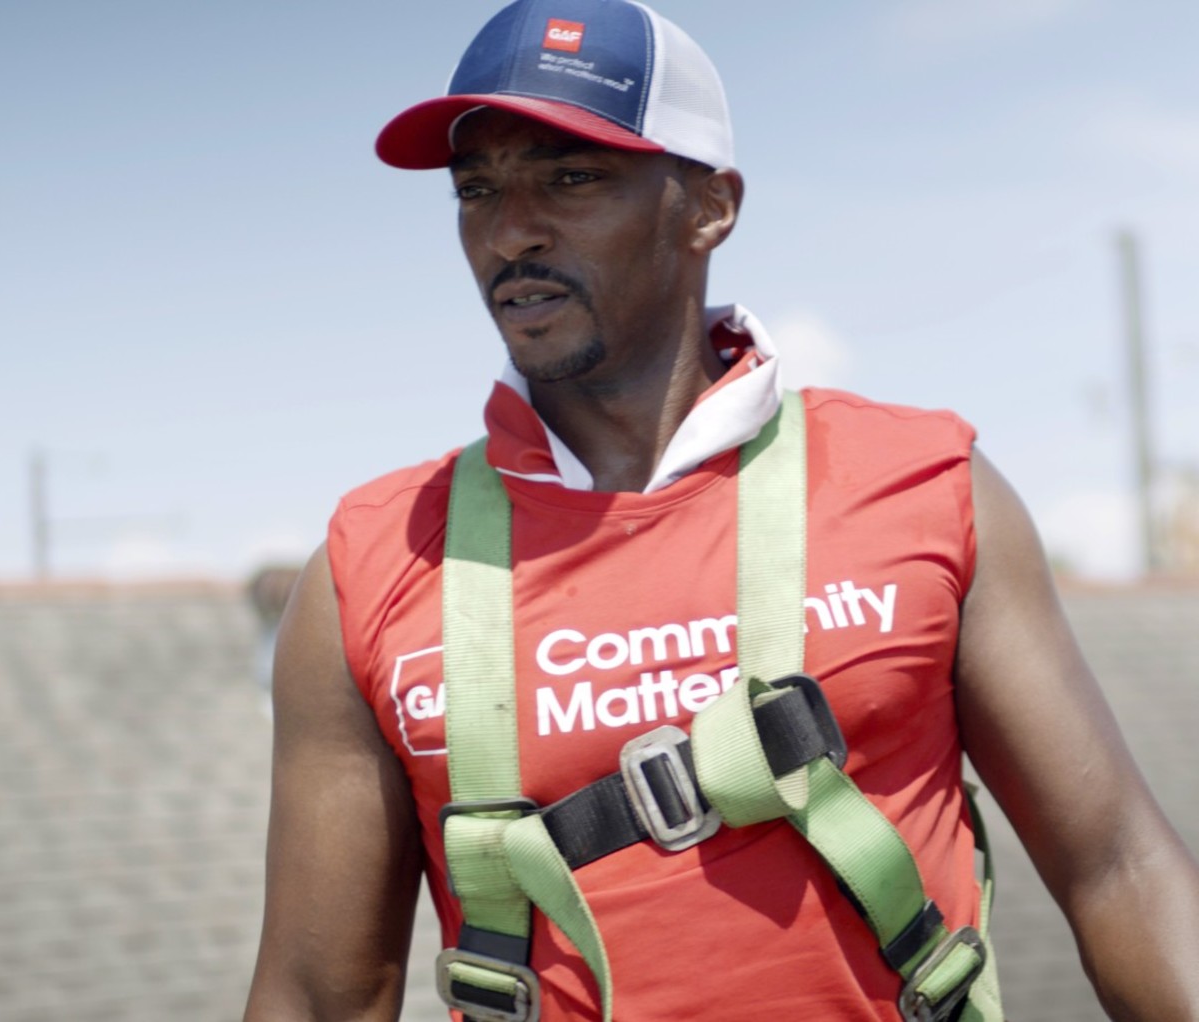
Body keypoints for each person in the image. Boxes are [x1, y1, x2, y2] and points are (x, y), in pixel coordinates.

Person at [243, 2, 1199, 1020]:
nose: (509, 230)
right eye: (477, 189)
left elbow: (1120, 867)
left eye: (571, 178)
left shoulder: (923, 484)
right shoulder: (373, 563)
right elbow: (314, 991)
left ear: (708, 206)